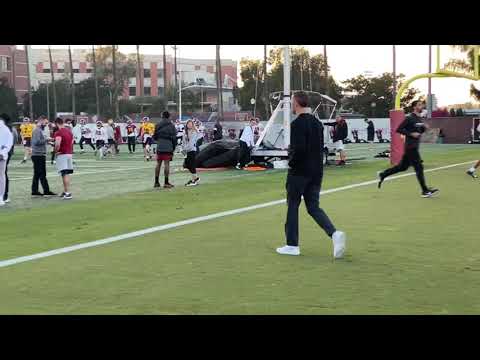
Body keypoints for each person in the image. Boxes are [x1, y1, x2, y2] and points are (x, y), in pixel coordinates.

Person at [276, 91, 346, 258]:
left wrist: (290, 161)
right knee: (313, 207)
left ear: (297, 103)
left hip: (300, 172)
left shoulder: (297, 124)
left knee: (293, 205)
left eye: (292, 102)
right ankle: (334, 234)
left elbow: (299, 150)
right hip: (317, 171)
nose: (291, 105)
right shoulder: (317, 123)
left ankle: (292, 245)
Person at [378, 100, 439, 198]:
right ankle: (424, 190)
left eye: (422, 105)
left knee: (402, 167)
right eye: (419, 105)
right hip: (411, 147)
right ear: (414, 107)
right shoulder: (409, 118)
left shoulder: (419, 119)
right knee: (419, 167)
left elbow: (419, 131)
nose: (421, 106)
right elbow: (399, 129)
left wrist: (424, 128)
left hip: (413, 147)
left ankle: (383, 174)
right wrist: (411, 134)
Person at [31, 117, 56, 197]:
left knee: (37, 174)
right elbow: (36, 142)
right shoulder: (37, 130)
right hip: (38, 155)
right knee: (42, 174)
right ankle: (46, 191)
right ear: (40, 122)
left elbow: (39, 141)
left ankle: (35, 191)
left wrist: (48, 140)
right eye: (45, 123)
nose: (46, 125)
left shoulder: (39, 130)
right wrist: (46, 140)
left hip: (38, 154)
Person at [153, 111, 177, 188]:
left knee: (158, 163)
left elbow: (155, 137)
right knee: (167, 164)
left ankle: (156, 182)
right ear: (169, 116)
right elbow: (174, 137)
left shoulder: (157, 125)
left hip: (160, 145)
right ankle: (166, 183)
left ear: (162, 116)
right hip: (168, 146)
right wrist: (173, 147)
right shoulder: (171, 125)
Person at [53, 118, 74, 200]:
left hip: (62, 154)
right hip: (69, 153)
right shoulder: (69, 131)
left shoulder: (58, 132)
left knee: (64, 173)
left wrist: (55, 151)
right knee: (66, 174)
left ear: (57, 123)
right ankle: (66, 191)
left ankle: (67, 193)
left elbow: (57, 144)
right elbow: (71, 142)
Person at [0, 114, 14, 207]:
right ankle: (1, 197)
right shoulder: (6, 129)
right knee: (2, 176)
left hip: (1, 156)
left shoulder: (5, 129)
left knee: (1, 176)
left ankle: (1, 197)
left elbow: (9, 142)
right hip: (2, 155)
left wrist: (2, 153)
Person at [182, 119, 200, 186]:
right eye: (188, 124)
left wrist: (185, 149)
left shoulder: (194, 132)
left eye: (190, 124)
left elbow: (191, 143)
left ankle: (194, 180)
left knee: (191, 165)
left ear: (192, 125)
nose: (189, 125)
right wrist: (183, 149)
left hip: (192, 150)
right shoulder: (185, 132)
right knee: (186, 165)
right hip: (186, 151)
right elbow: (183, 142)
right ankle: (195, 178)